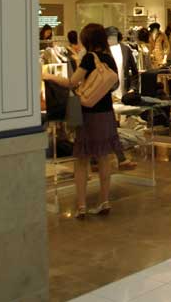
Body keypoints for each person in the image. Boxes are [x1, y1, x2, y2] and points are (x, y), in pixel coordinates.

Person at [43, 23, 120, 218]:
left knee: (81, 160)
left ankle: (81, 205)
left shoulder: (89, 58)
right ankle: (104, 200)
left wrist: (48, 76)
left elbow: (71, 82)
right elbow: (114, 84)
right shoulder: (109, 58)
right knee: (104, 157)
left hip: (87, 113)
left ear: (87, 40)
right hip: (106, 113)